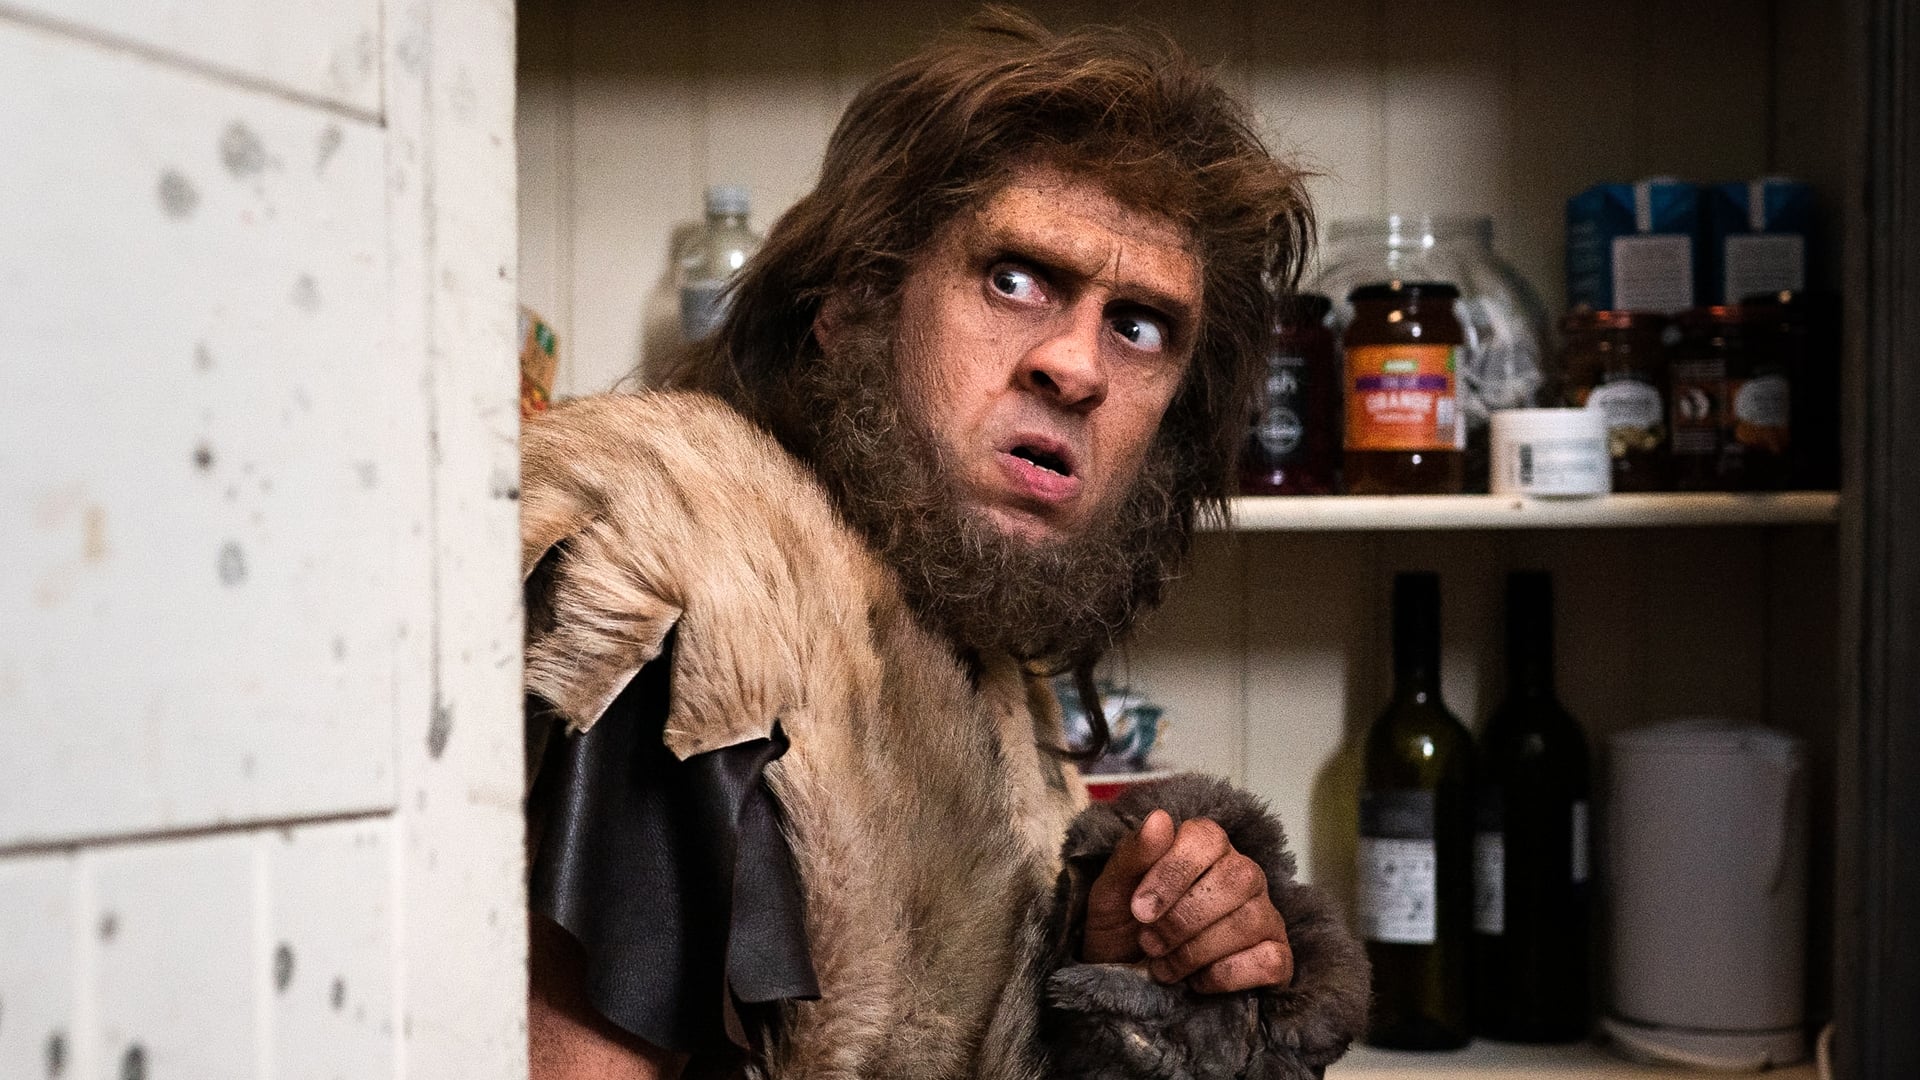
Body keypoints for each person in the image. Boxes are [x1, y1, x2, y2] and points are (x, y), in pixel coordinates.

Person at [519, 9, 1369, 1079]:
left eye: (1139, 325)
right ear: (851, 304)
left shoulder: (971, 638)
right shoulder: (688, 591)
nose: (1076, 366)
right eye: (1015, 278)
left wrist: (1115, 966)